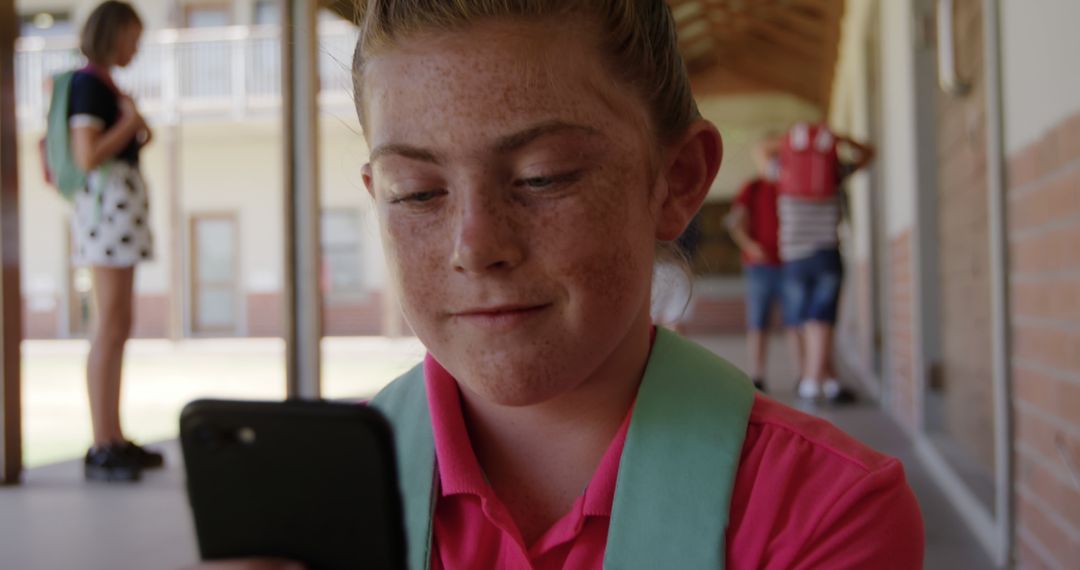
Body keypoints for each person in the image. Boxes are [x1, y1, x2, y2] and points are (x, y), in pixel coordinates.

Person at [193, 1, 922, 568]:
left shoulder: (823, 510)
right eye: (417, 192)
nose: (476, 246)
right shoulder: (317, 496)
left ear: (677, 180)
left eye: (544, 177)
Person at [69, 1, 161, 481]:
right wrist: (129, 122)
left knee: (118, 324)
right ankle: (101, 442)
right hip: (106, 215)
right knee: (108, 326)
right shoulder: (88, 85)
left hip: (119, 215)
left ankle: (114, 436)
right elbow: (86, 156)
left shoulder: (104, 84)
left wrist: (134, 124)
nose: (136, 47)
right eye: (133, 37)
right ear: (114, 34)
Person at [771, 126, 875, 401]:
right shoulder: (834, 172)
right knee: (822, 319)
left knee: (805, 320)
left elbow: (760, 150)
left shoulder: (782, 170)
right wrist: (840, 138)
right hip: (825, 254)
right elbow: (869, 153)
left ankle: (820, 377)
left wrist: (791, 140)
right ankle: (814, 379)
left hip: (794, 257)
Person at [726, 138, 803, 393]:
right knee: (758, 321)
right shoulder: (753, 187)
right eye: (771, 156)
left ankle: (802, 376)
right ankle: (758, 376)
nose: (775, 161)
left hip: (790, 263)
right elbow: (735, 223)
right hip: (759, 267)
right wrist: (749, 246)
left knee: (795, 321)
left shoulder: (790, 185)